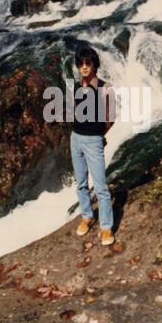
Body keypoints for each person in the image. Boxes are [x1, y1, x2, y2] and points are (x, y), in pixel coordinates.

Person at [70, 46, 116, 246]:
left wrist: (99, 136)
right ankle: (87, 216)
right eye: (81, 64)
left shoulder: (106, 88)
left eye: (88, 63)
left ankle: (106, 228)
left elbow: (111, 118)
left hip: (93, 140)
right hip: (75, 138)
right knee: (80, 182)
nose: (84, 67)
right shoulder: (77, 87)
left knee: (101, 187)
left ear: (94, 65)